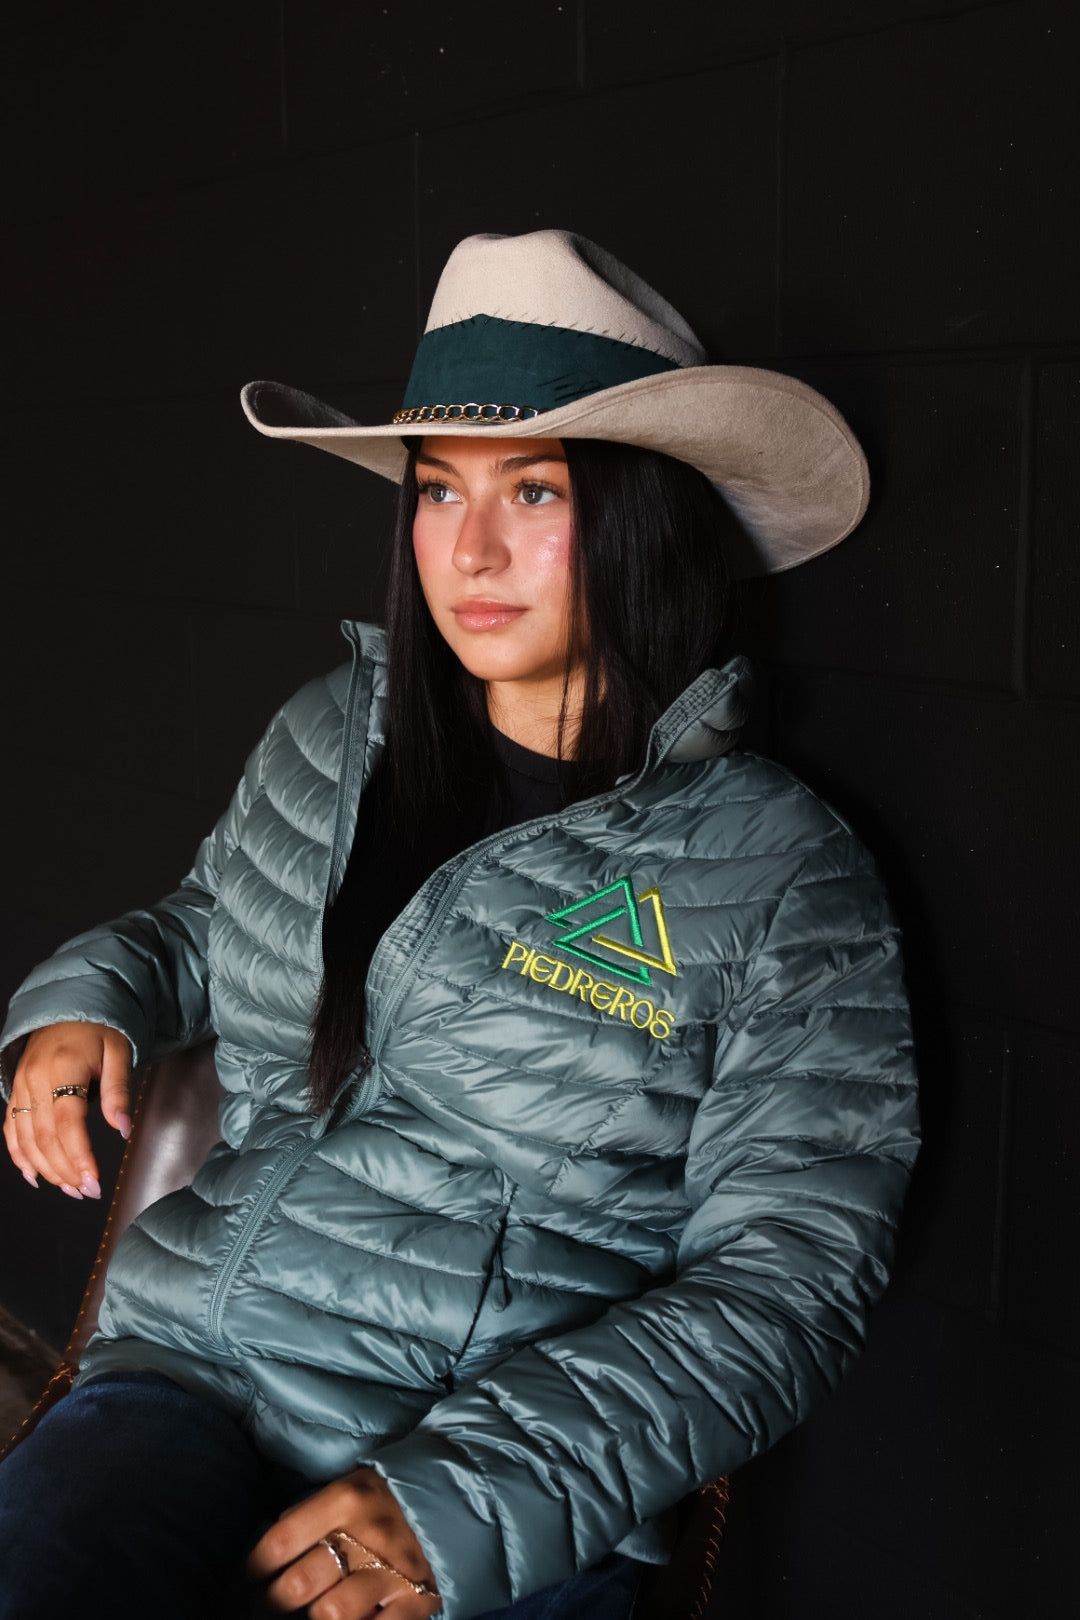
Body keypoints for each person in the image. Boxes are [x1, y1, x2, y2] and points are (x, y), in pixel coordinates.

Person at [0, 230, 918, 1620]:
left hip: (490, 1469)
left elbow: (790, 1273)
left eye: (533, 492)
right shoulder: (328, 732)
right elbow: (202, 923)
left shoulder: (776, 870)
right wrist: (87, 998)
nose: (468, 551)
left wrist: (467, 1503)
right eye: (436, 493)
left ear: (641, 514)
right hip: (191, 1375)